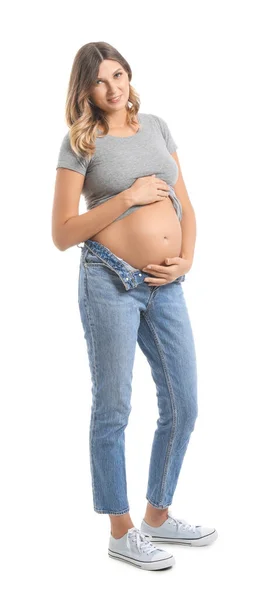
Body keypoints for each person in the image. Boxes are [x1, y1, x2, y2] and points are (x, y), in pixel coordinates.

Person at [52, 41, 218, 571]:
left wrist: (185, 260)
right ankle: (120, 530)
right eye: (101, 81)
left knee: (184, 402)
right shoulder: (81, 143)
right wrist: (125, 198)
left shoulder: (158, 127)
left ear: (129, 75)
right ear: (87, 90)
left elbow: (186, 205)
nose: (114, 87)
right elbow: (61, 233)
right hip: (109, 280)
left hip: (167, 283)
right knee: (114, 408)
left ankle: (157, 515)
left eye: (119, 74)